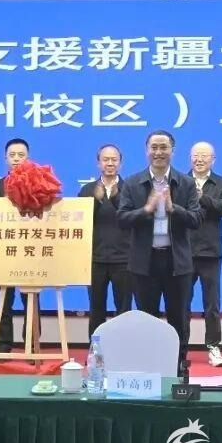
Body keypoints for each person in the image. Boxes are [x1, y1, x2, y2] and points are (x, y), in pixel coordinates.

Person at [117, 129, 204, 375]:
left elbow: (197, 219)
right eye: (154, 147)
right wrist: (146, 210)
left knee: (179, 318)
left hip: (177, 262)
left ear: (172, 151)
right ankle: (149, 367)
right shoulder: (132, 183)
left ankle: (178, 367)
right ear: (147, 150)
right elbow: (122, 219)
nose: (158, 152)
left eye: (163, 147)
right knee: (147, 319)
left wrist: (173, 208)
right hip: (144, 262)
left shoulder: (186, 183)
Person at [0, 137, 41, 353]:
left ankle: (32, 344)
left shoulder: (38, 184)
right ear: (5, 158)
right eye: (12, 155)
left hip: (30, 249)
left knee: (31, 299)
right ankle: (3, 344)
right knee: (3, 299)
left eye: (21, 155)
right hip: (3, 250)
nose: (16, 159)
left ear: (28, 158)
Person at [78, 144, 132, 340]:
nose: (110, 163)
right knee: (96, 308)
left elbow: (133, 219)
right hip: (95, 259)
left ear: (120, 163)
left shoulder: (130, 189)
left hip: (123, 259)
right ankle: (95, 350)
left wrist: (116, 199)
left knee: (124, 309)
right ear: (98, 163)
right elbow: (80, 222)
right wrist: (96, 200)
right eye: (105, 159)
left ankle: (122, 348)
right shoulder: (87, 190)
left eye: (114, 159)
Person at [188, 141, 222, 367]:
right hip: (184, 251)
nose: (199, 159)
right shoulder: (180, 181)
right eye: (196, 155)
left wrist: (201, 197)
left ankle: (214, 347)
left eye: (204, 156)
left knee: (212, 304)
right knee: (180, 303)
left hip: (211, 253)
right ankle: (179, 347)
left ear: (213, 160)